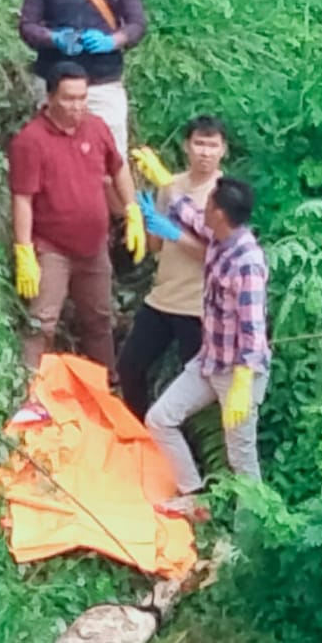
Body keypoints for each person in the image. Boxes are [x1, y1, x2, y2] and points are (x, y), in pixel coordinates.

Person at [138, 178, 270, 511]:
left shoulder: (247, 263)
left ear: (222, 214)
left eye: (210, 202)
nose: (204, 206)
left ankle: (247, 540)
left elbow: (253, 330)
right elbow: (191, 215)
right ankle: (194, 498)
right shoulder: (220, 237)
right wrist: (164, 181)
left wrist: (242, 381)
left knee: (242, 461)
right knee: (160, 419)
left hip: (237, 375)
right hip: (210, 361)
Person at [8, 62, 146, 374]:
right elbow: (23, 198)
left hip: (94, 246)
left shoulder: (96, 127)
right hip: (52, 247)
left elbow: (118, 167)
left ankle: (106, 386)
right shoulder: (31, 141)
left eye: (82, 98)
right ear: (50, 97)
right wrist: (24, 250)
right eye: (69, 98)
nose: (77, 106)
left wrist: (132, 209)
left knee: (99, 319)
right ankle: (26, 390)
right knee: (42, 322)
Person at [116, 116, 228, 419]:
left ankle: (190, 445)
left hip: (199, 308)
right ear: (186, 147)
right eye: (199, 144)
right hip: (162, 299)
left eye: (212, 145)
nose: (205, 152)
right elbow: (156, 247)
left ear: (223, 150)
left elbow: (219, 255)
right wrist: (146, 223)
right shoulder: (170, 185)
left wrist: (173, 232)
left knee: (200, 385)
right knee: (129, 366)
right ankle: (139, 432)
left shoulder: (225, 195)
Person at [18, 0, 148, 159]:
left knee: (113, 158)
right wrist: (54, 38)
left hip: (103, 82)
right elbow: (27, 26)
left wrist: (112, 41)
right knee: (52, 157)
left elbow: (137, 24)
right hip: (55, 83)